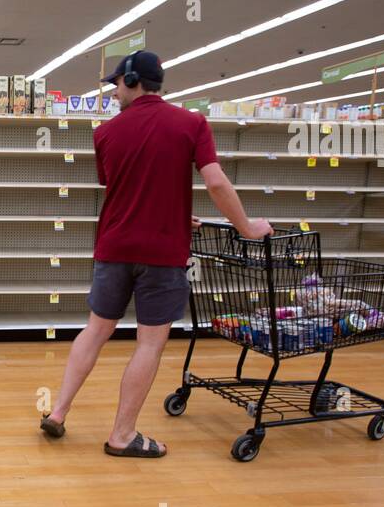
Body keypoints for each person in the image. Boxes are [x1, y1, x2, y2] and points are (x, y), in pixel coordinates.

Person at [40, 50, 271, 458]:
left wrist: (179, 212)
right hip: (162, 252)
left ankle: (58, 412)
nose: (114, 94)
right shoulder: (191, 123)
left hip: (114, 247)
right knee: (148, 344)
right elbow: (215, 182)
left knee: (95, 330)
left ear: (132, 80)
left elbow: (126, 187)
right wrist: (247, 228)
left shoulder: (106, 133)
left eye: (116, 86)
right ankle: (122, 435)